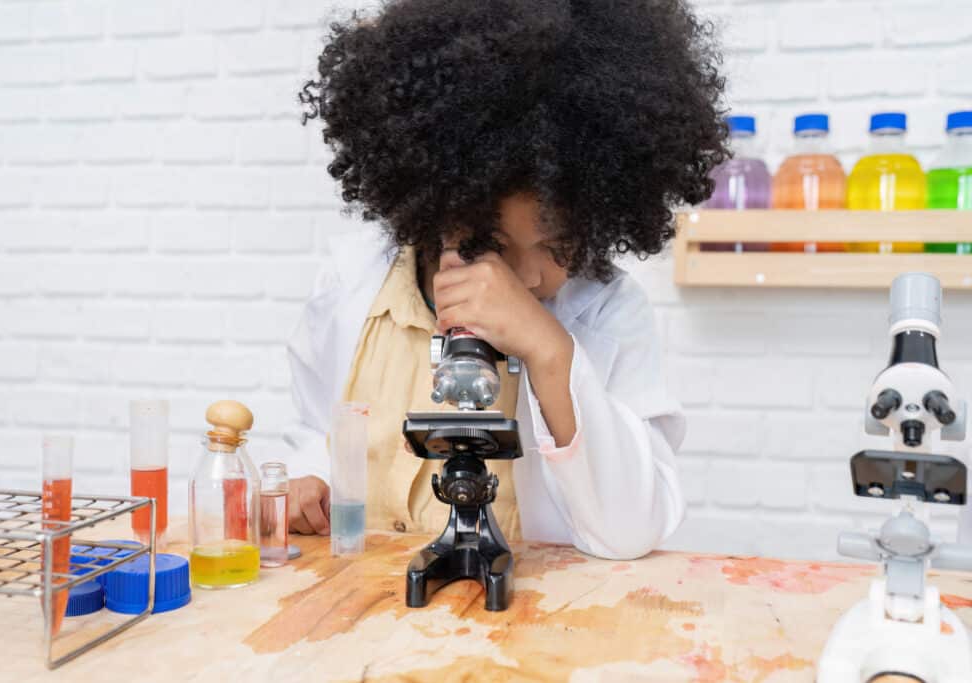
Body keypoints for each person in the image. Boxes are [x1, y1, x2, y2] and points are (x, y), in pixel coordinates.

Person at [281, 0, 728, 559]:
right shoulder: (353, 281)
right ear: (433, 205)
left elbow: (630, 530)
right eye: (490, 245)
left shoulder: (609, 311)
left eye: (558, 245)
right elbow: (316, 427)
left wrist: (546, 345)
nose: (530, 276)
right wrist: (308, 481)